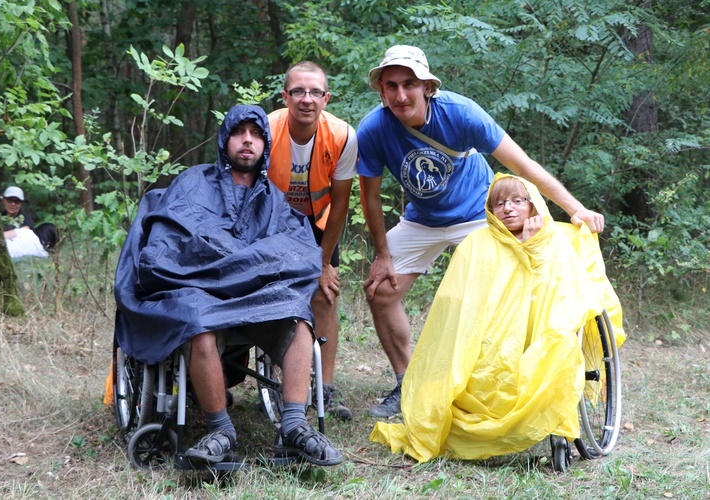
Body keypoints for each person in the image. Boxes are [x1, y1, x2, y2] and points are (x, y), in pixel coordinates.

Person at [357, 45, 606, 418]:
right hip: (422, 219)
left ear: (427, 87)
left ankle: (492, 383)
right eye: (390, 86)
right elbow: (370, 197)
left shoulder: (460, 113)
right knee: (379, 291)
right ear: (381, 91)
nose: (400, 95)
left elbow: (521, 164)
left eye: (409, 84)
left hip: (477, 214)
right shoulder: (374, 128)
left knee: (490, 299)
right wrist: (382, 254)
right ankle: (408, 384)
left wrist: (575, 209)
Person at [113, 105, 342, 467]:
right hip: (202, 292)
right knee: (196, 320)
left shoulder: (275, 199)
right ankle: (221, 431)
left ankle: (294, 427)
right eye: (239, 133)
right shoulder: (193, 182)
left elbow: (297, 251)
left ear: (266, 146)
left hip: (261, 298)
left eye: (256, 134)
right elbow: (173, 242)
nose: (247, 141)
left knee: (299, 317)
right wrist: (244, 261)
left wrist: (242, 264)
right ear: (225, 140)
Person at [370, 174, 625, 462]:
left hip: (542, 331)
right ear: (490, 211)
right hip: (487, 337)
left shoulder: (555, 239)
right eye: (499, 203)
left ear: (533, 206)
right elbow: (459, 300)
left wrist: (531, 246)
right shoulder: (477, 243)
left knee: (553, 347)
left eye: (517, 201)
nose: (508, 208)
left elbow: (561, 292)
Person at [267, 61, 358, 421]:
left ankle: (325, 387)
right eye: (298, 92)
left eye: (315, 92)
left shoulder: (343, 135)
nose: (307, 99)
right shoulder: (266, 129)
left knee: (325, 292)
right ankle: (279, 382)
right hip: (271, 221)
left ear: (326, 97)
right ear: (285, 96)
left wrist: (323, 263)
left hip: (319, 221)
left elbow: (339, 205)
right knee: (274, 291)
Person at [0, 186, 50, 259]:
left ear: (21, 203)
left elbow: (24, 231)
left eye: (16, 202)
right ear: (4, 201)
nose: (13, 204)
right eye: (10, 200)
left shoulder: (25, 218)